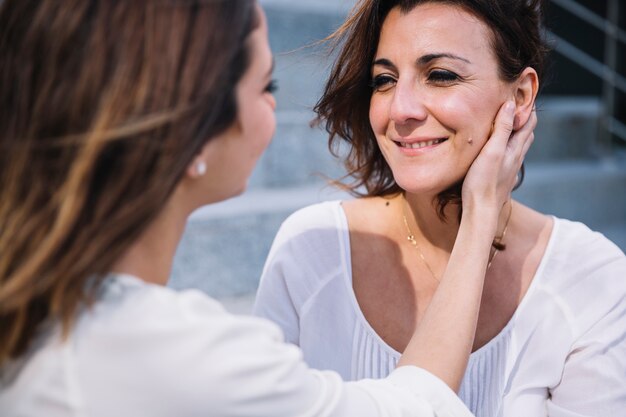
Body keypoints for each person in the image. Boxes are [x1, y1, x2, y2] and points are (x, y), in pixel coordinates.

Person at [0, 1, 534, 416]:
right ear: (191, 132)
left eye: (440, 75)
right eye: (265, 85)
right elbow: (416, 409)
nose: (275, 108)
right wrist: (481, 214)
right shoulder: (170, 354)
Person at [253, 0, 626, 416]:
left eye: (441, 75)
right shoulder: (311, 250)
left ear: (521, 96)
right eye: (385, 79)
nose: (401, 109)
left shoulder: (591, 277)